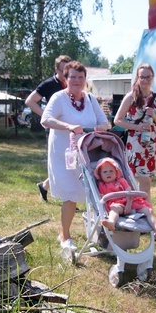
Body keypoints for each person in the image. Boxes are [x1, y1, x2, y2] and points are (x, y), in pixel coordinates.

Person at [41, 61, 109, 253]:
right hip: (64, 153)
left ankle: (101, 233)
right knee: (70, 194)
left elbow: (104, 122)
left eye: (81, 77)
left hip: (87, 152)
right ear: (65, 78)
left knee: (94, 193)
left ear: (85, 79)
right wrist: (69, 126)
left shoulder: (89, 98)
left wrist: (100, 127)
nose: (77, 81)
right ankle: (65, 236)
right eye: (73, 77)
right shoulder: (58, 98)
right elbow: (45, 119)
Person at [25, 54, 72, 202]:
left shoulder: (73, 84)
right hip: (54, 129)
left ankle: (45, 186)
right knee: (63, 164)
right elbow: (30, 101)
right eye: (63, 70)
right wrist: (46, 116)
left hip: (71, 128)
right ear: (56, 69)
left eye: (68, 70)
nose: (66, 74)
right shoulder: (49, 84)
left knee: (69, 163)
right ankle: (68, 199)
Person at [114, 64, 156, 198]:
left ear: (153, 78)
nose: (145, 80)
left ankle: (138, 207)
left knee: (146, 181)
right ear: (137, 78)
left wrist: (154, 115)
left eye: (148, 77)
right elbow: (117, 120)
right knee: (143, 181)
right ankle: (146, 211)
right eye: (142, 77)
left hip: (151, 144)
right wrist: (137, 127)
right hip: (135, 145)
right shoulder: (131, 97)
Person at [95, 158, 156, 238]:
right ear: (100, 175)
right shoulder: (101, 185)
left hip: (131, 202)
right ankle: (111, 223)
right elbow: (103, 198)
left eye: (111, 171)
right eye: (105, 172)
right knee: (114, 209)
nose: (108, 173)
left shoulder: (121, 181)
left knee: (148, 210)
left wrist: (129, 204)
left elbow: (129, 192)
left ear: (116, 172)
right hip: (117, 204)